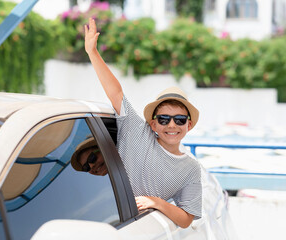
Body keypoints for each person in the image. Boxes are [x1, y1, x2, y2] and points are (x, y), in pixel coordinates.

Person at [84, 18, 202, 228]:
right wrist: (93, 52)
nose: (171, 125)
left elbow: (186, 218)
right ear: (153, 124)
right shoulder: (137, 131)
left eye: (179, 119)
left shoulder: (191, 168)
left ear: (189, 125)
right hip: (105, 221)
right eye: (164, 119)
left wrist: (157, 203)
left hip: (139, 228)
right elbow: (116, 92)